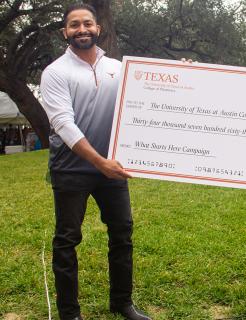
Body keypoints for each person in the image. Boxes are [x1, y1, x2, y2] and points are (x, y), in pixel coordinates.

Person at [40, 3, 151, 320]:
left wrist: (186, 74)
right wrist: (100, 163)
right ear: (66, 32)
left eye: (87, 23)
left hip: (111, 167)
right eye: (74, 25)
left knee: (122, 233)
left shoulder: (118, 68)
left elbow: (149, 98)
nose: (82, 29)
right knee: (67, 239)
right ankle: (69, 313)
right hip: (71, 169)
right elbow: (64, 124)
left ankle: (122, 303)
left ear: (97, 28)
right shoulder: (55, 72)